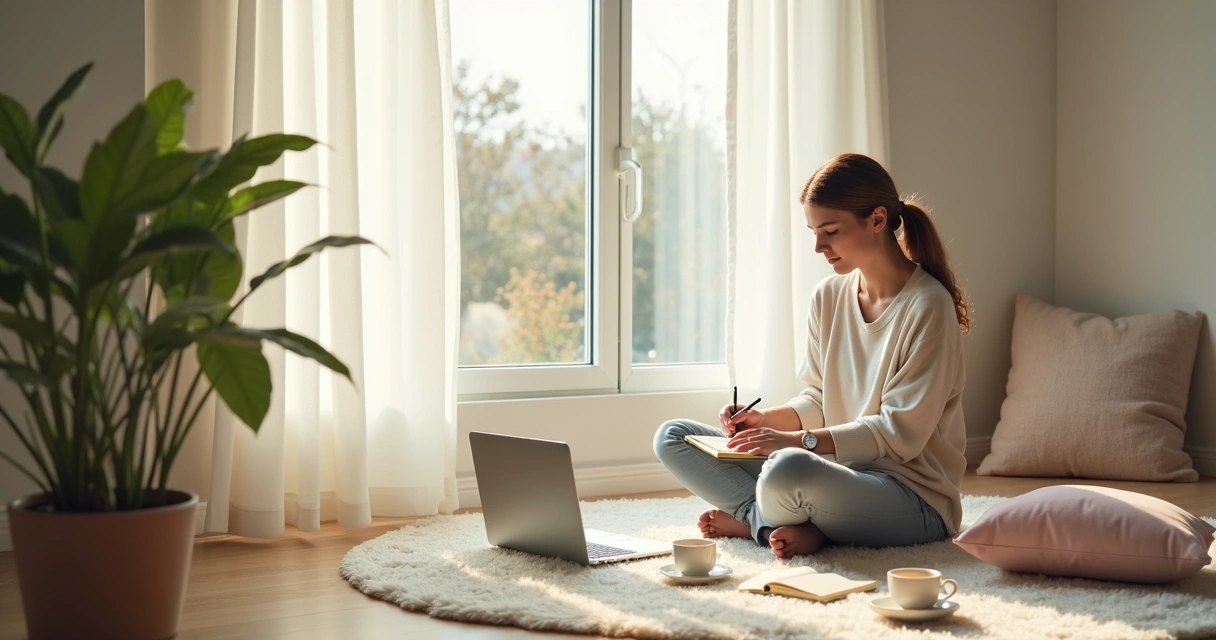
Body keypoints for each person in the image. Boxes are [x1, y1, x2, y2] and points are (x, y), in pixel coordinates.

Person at [653, 153, 970, 559]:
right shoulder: (828, 296)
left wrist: (791, 441)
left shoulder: (928, 306)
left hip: (913, 497)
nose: (819, 246)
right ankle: (778, 520)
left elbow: (898, 434)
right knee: (675, 436)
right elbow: (819, 399)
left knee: (787, 468)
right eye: (814, 232)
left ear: (876, 220)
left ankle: (764, 520)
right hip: (838, 475)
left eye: (831, 231)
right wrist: (763, 421)